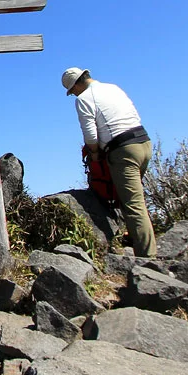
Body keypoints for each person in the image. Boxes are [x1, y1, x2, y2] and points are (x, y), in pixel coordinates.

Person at [62, 67, 156, 257]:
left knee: (133, 204)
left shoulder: (84, 99)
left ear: (77, 85)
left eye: (73, 91)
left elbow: (90, 134)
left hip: (123, 150)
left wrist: (95, 153)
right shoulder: (113, 88)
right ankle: (134, 237)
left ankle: (148, 259)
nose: (74, 95)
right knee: (127, 196)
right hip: (144, 143)